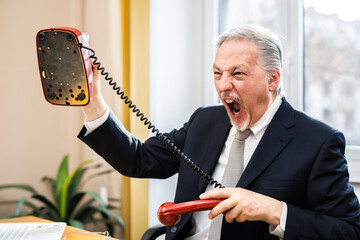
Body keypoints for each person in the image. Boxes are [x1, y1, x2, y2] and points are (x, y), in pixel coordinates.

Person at [78, 24, 360, 239]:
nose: (223, 86)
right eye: (217, 73)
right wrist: (93, 103)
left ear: (272, 79)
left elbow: (348, 230)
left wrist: (275, 211)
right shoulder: (205, 121)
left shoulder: (318, 141)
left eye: (237, 74)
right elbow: (137, 159)